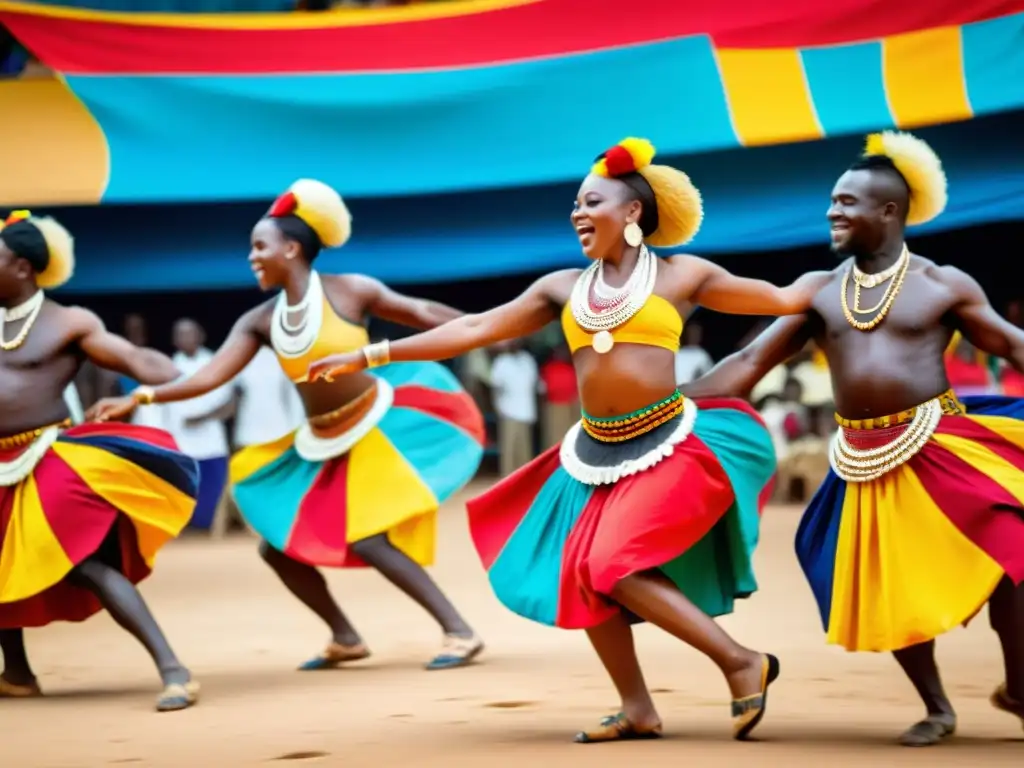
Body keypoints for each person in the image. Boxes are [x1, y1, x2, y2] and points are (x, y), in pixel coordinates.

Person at [307, 138, 824, 742]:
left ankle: (742, 662)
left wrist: (843, 279)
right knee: (578, 570)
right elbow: (474, 328)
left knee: (613, 565)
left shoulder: (686, 274)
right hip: (595, 451)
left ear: (632, 212)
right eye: (574, 204)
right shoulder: (562, 287)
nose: (577, 213)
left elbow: (787, 300)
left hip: (670, 442)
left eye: (591, 201)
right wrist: (370, 352)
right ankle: (637, 708)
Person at [680, 130, 1024, 746]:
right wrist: (668, 406)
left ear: (889, 212)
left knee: (1015, 559)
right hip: (866, 458)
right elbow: (748, 366)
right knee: (891, 582)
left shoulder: (943, 283)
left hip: (944, 444)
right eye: (833, 201)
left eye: (846, 202)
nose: (832, 212)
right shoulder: (816, 289)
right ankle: (938, 707)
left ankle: (1020, 689)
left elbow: (1011, 344)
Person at [88, 180, 487, 671]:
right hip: (320, 442)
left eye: (259, 246)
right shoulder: (259, 321)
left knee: (367, 538)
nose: (252, 257)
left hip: (378, 428)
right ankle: (345, 636)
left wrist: (492, 322)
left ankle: (459, 631)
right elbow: (209, 377)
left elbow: (420, 312)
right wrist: (143, 396)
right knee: (278, 549)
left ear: (291, 248)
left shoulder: (351, 290)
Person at [0, 211, 201, 711]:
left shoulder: (70, 322)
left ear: (23, 267)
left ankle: (173, 669)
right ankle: (18, 674)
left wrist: (145, 392)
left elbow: (145, 364)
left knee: (84, 563)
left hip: (47, 460)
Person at [165, 318, 233, 530]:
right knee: (183, 499)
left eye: (189, 333)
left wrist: (201, 418)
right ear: (174, 340)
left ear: (200, 336)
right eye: (180, 334)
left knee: (211, 501)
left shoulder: (215, 363)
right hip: (181, 447)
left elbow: (230, 404)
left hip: (212, 445)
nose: (185, 338)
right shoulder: (168, 368)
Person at [489, 339, 539, 475]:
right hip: (508, 411)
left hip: (527, 411)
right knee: (509, 450)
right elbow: (495, 388)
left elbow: (534, 385)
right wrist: (498, 407)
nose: (514, 344)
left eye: (517, 342)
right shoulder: (501, 362)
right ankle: (508, 478)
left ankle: (523, 477)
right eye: (512, 342)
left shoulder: (527, 360)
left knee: (524, 450)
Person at [538, 344, 578, 450]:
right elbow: (542, 391)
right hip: (554, 407)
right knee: (554, 439)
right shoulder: (548, 369)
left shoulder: (572, 369)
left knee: (567, 439)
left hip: (569, 408)